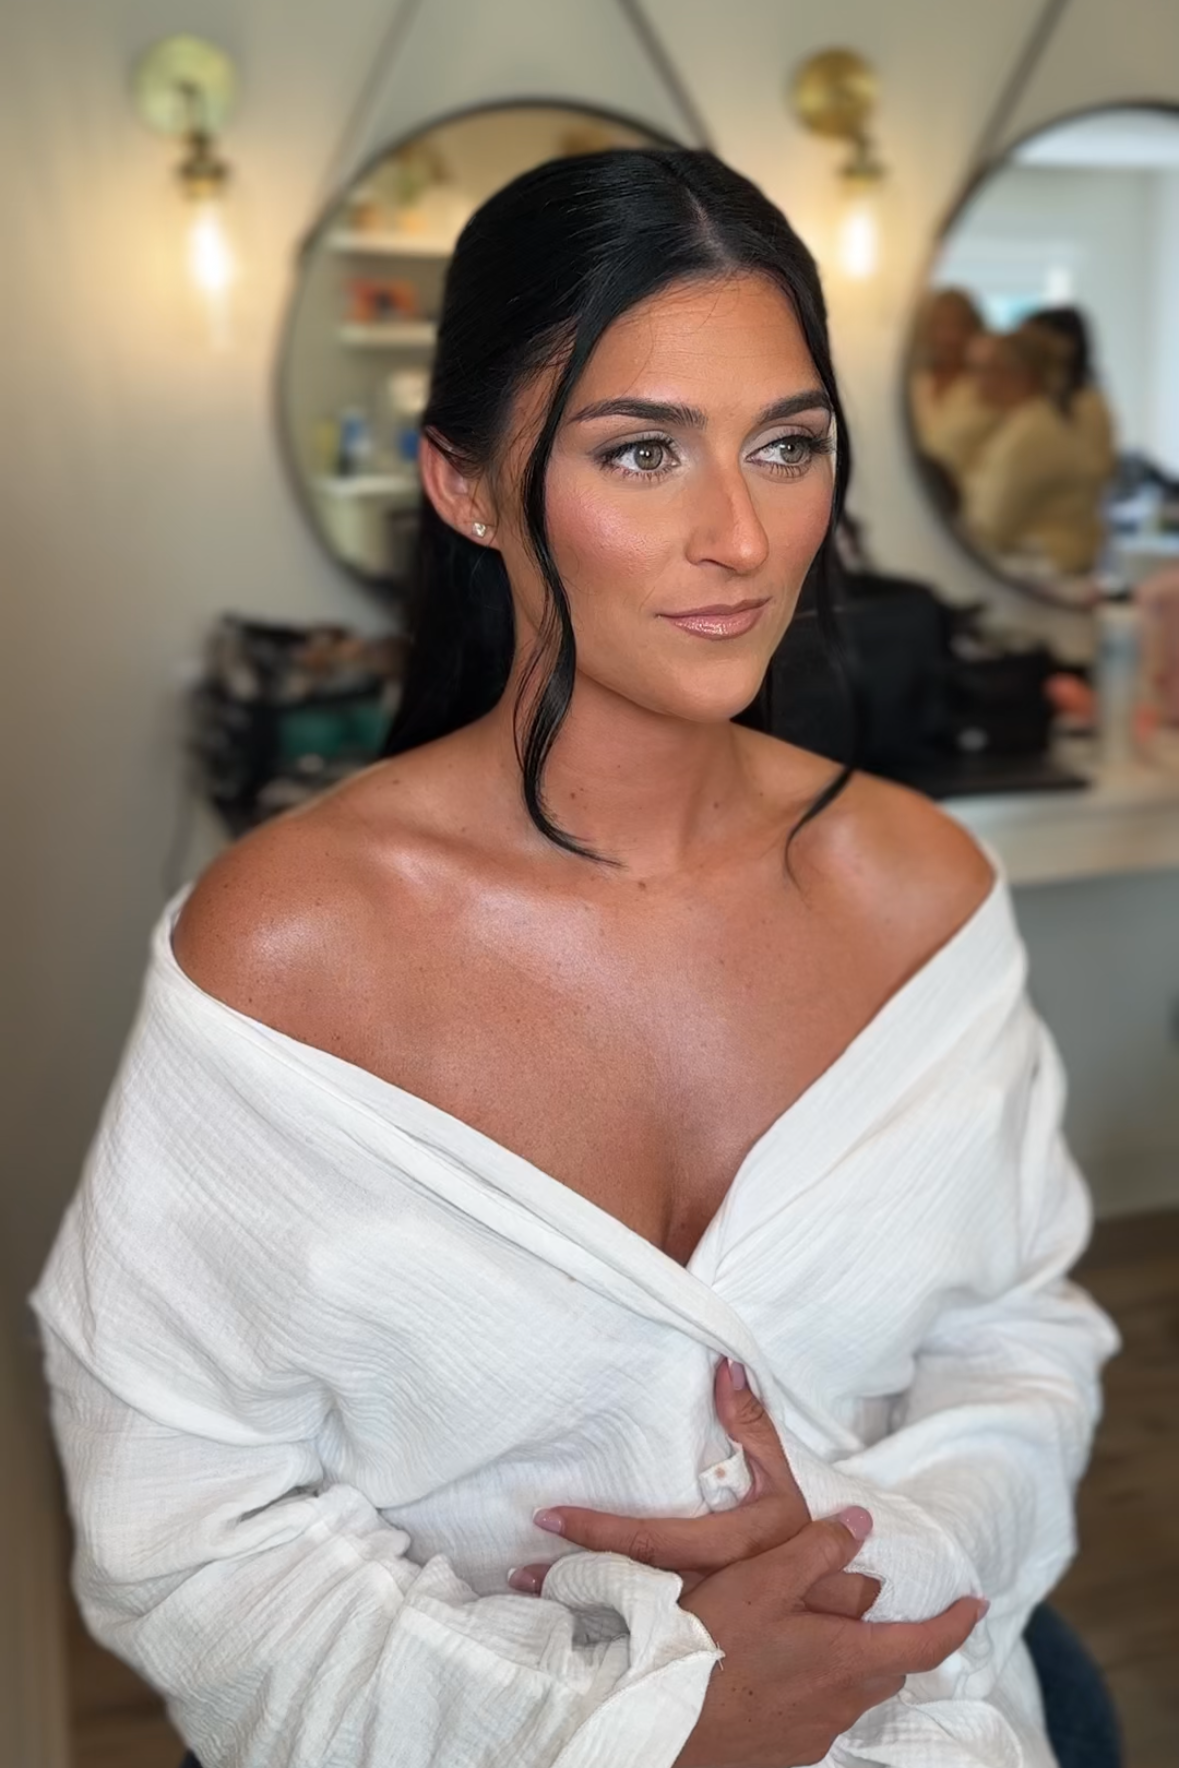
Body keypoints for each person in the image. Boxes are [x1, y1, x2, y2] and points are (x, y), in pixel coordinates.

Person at [32, 149, 1118, 1768]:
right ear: (465, 486)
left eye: (785, 444)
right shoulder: (286, 951)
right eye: (639, 452)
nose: (741, 537)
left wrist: (865, 1571)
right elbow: (189, 1517)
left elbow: (1017, 1336)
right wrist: (646, 1719)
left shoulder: (921, 892)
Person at [959, 328, 1106, 575]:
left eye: (983, 369)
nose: (973, 380)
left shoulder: (1030, 435)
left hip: (1050, 572)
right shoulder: (1026, 425)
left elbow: (991, 526)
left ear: (1019, 375)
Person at [909, 286, 1001, 482]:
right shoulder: (911, 386)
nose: (948, 337)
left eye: (958, 326)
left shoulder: (989, 390)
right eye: (937, 325)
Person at [1022, 306, 1117, 487]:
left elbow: (1098, 470)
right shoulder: (1039, 401)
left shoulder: (1087, 404)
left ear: (1066, 346)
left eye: (1031, 344)